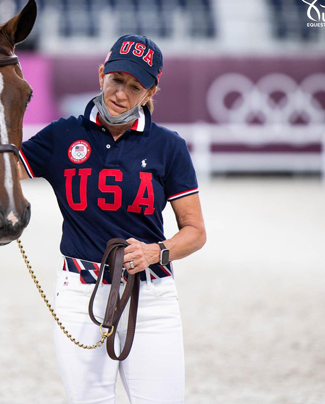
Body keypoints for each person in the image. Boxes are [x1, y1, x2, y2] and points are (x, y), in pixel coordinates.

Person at [18, 34, 206, 404]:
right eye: (116, 79)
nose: (121, 93)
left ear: (151, 92)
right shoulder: (62, 135)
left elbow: (196, 232)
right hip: (79, 294)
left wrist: (158, 251)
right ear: (102, 72)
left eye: (135, 87)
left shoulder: (168, 146)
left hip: (151, 295)